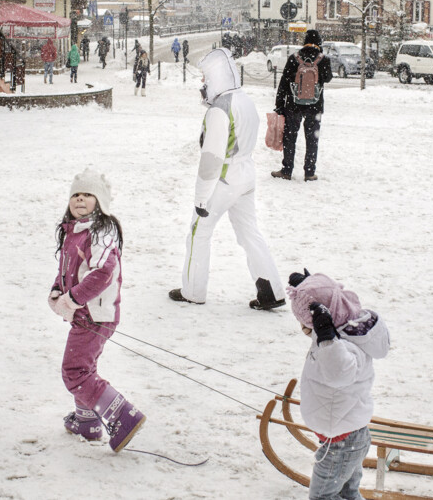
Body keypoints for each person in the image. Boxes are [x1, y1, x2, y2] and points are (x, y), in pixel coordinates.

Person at [169, 48, 285, 310]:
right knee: (249, 233)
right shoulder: (245, 100)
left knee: (198, 232)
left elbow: (211, 159)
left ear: (216, 76)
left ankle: (193, 291)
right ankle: (271, 290)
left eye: (205, 77)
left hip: (223, 179)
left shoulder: (219, 110)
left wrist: (201, 197)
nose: (202, 82)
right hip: (246, 174)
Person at [49, 168, 146, 453]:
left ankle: (123, 415)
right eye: (76, 195)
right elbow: (69, 270)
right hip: (86, 313)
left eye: (87, 195)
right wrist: (57, 291)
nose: (80, 199)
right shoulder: (75, 232)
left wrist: (73, 299)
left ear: (100, 202)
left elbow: (103, 272)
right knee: (83, 367)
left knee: (74, 371)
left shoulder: (100, 233)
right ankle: (87, 421)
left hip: (96, 314)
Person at [286, 270, 389, 500]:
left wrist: (327, 337)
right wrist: (308, 289)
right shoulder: (342, 331)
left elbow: (338, 372)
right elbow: (330, 304)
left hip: (342, 444)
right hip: (347, 436)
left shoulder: (341, 346)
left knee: (322, 497)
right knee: (348, 494)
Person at [273, 30, 332, 181]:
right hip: (315, 105)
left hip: (294, 104)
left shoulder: (294, 58)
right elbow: (328, 78)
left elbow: (284, 82)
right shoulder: (323, 60)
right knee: (312, 139)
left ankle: (287, 170)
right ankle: (309, 172)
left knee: (290, 138)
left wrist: (279, 104)